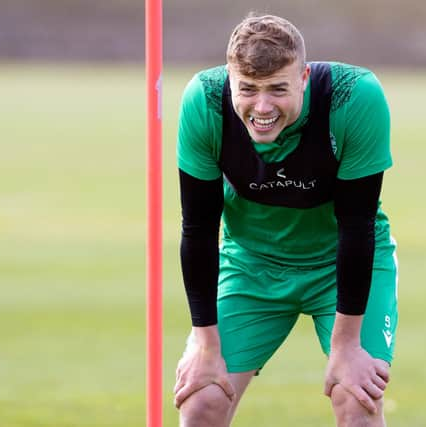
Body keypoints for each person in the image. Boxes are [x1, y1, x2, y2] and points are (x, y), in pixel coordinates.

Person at [173, 13, 399, 427]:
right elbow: (199, 229)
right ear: (229, 80)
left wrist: (347, 346)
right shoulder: (204, 101)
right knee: (202, 400)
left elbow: (357, 224)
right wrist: (206, 348)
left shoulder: (355, 98)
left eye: (278, 89)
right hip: (251, 263)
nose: (262, 106)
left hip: (338, 265)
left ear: (304, 78)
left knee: (356, 400)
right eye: (248, 90)